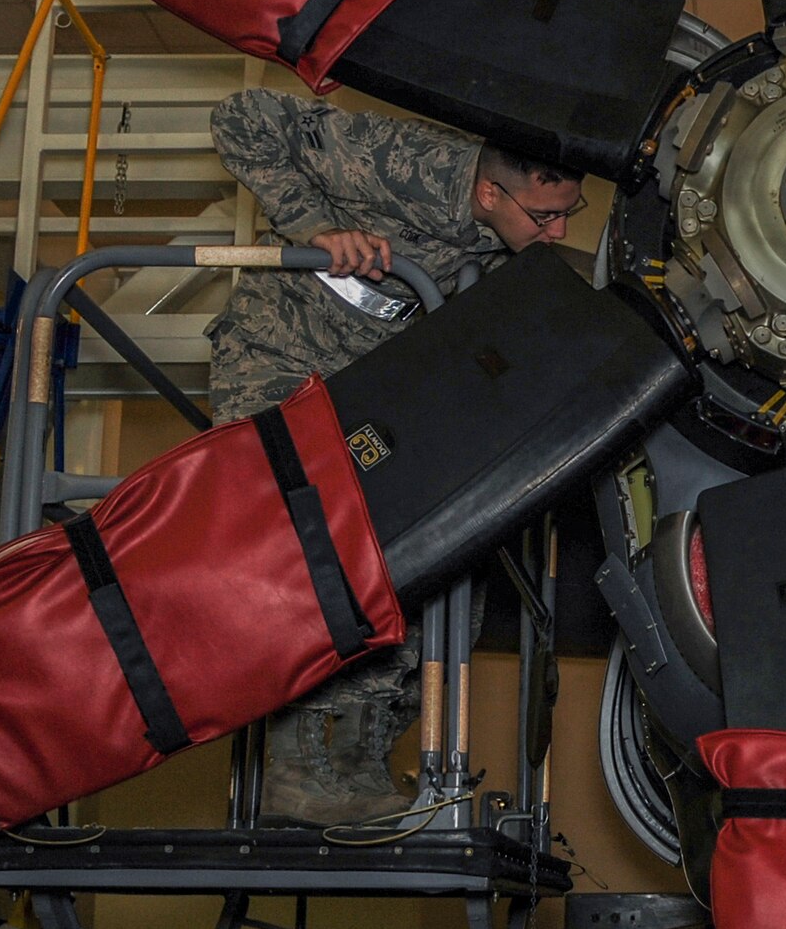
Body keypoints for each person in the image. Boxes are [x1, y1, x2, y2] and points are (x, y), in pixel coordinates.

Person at [206, 87, 584, 825]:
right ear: (487, 190)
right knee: (327, 544)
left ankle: (358, 752)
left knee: (441, 560)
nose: (558, 228)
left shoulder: (514, 229)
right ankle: (306, 761)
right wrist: (317, 224)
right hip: (283, 349)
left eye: (570, 212)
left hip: (368, 380)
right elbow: (241, 118)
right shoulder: (399, 160)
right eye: (545, 216)